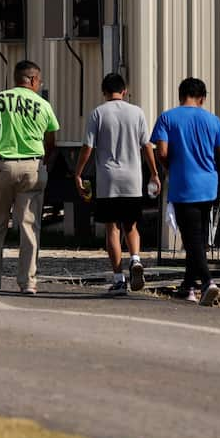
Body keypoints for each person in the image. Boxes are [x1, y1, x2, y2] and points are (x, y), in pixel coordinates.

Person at [0, 60, 59, 294]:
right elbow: (51, 142)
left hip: (2, 166)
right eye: (39, 80)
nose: (39, 84)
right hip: (33, 167)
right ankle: (28, 281)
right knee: (29, 227)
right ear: (32, 80)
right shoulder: (43, 105)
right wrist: (42, 163)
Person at [150, 77, 220, 306]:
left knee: (192, 240)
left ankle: (208, 282)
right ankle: (188, 287)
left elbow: (161, 152)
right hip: (208, 186)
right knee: (197, 237)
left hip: (183, 186)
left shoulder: (167, 118)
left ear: (181, 95)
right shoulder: (212, 120)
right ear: (202, 98)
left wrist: (171, 167)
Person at [73, 73, 160, 295]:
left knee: (112, 228)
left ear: (104, 92)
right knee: (131, 225)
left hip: (108, 178)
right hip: (132, 177)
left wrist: (79, 172)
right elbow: (146, 145)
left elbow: (88, 147)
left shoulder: (98, 113)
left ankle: (119, 279)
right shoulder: (137, 112)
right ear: (124, 91)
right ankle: (136, 259)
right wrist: (154, 173)